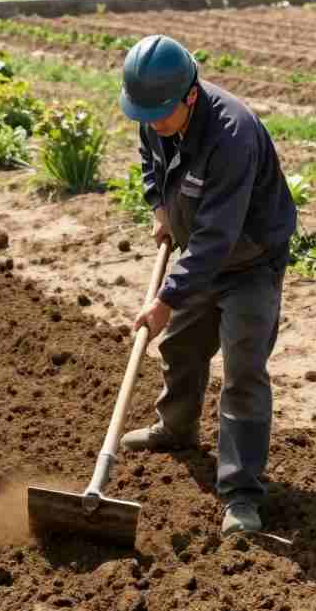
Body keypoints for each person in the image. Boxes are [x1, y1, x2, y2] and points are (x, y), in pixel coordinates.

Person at [118, 34, 297, 538]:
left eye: (160, 113)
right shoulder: (155, 116)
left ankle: (241, 494)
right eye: (143, 113)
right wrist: (160, 208)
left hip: (249, 260)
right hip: (199, 252)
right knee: (182, 347)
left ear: (190, 96)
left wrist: (164, 300)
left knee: (243, 370)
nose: (151, 123)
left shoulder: (231, 133)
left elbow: (219, 237)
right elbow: (153, 167)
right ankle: (175, 428)